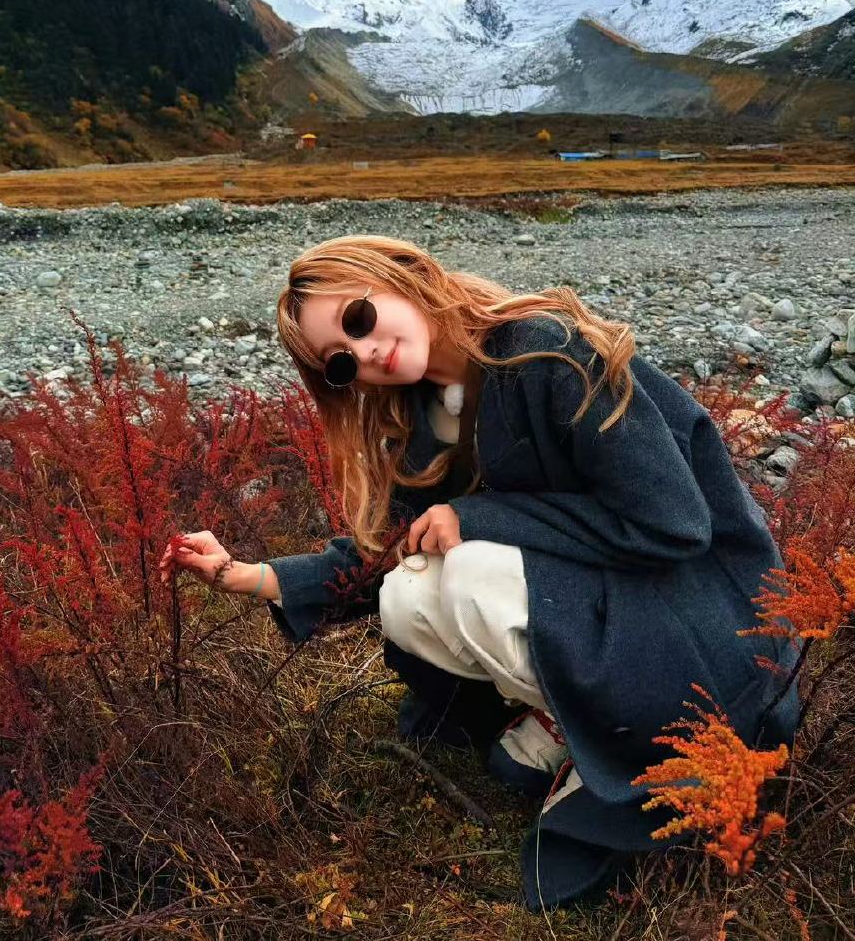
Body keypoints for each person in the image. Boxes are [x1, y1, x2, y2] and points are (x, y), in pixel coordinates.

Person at [158, 235, 799, 911]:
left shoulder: (545, 352)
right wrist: (248, 575)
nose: (367, 352)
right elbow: (386, 552)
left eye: (358, 319)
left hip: (709, 622)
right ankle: (570, 717)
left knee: (460, 571)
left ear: (401, 274)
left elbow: (674, 523)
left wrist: (484, 518)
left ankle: (627, 731)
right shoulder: (424, 411)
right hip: (620, 603)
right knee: (411, 589)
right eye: (343, 364)